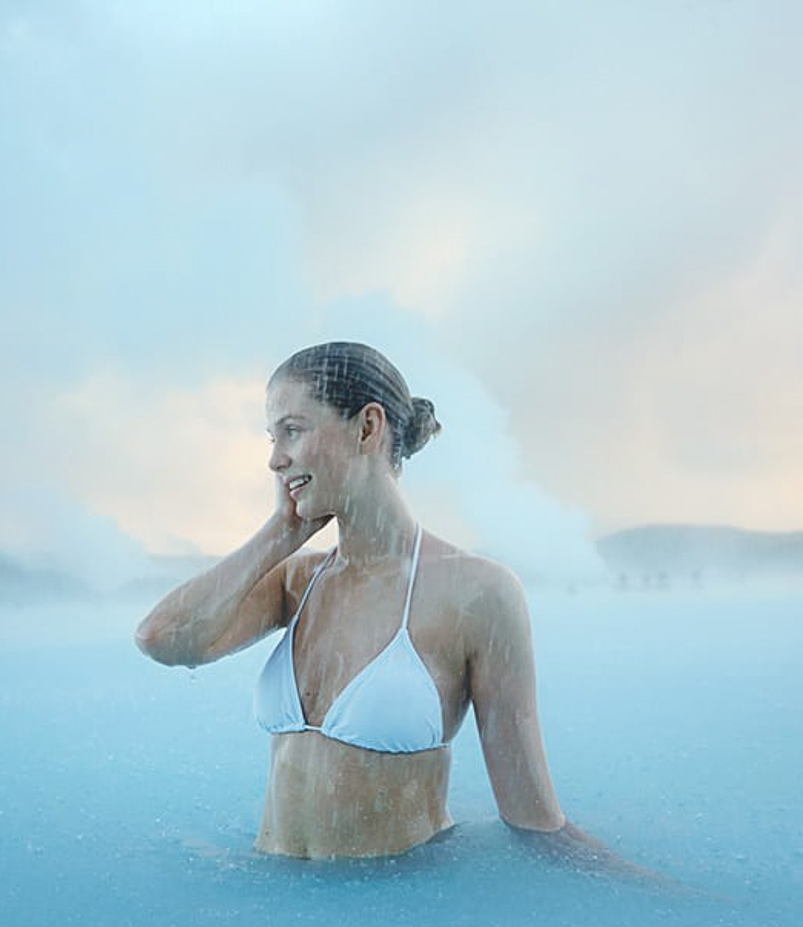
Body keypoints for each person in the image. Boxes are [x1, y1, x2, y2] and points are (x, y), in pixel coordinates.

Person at [134, 342, 637, 872]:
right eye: (272, 437)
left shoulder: (477, 593)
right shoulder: (297, 581)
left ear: (368, 427)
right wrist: (280, 534)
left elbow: (533, 818)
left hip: (397, 916)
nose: (274, 458)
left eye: (293, 430)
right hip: (281, 911)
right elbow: (162, 640)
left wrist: (654, 896)